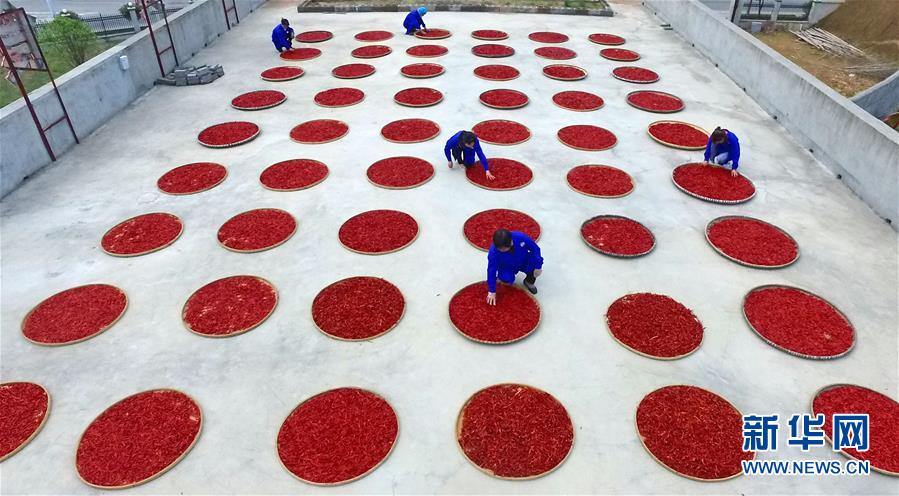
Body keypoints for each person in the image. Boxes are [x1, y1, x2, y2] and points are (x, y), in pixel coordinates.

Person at [486, 229, 544, 305]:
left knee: (534, 268)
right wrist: (492, 291)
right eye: (502, 249)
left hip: (524, 260)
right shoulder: (493, 253)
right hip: (507, 267)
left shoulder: (520, 237)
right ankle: (502, 278)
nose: (504, 250)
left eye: (506, 247)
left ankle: (528, 282)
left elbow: (535, 249)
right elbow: (491, 270)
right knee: (506, 279)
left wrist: (538, 266)